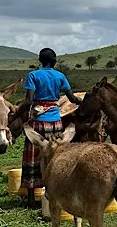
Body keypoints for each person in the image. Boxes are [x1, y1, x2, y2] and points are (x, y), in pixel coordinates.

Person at [17, 48, 80, 208]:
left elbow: (29, 100)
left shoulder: (33, 75)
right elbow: (71, 98)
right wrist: (81, 101)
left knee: (32, 156)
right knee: (56, 156)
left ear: (40, 60)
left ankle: (31, 198)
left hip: (38, 122)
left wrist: (16, 113)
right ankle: (54, 194)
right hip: (56, 122)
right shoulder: (60, 76)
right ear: (54, 61)